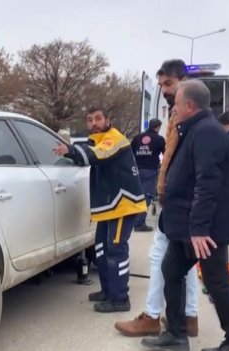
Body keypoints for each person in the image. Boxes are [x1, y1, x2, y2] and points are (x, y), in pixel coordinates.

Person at [141, 80, 229, 351]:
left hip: (206, 228)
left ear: (189, 105)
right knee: (171, 270)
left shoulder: (206, 132)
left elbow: (208, 181)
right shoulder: (194, 129)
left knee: (216, 281)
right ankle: (176, 335)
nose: (173, 109)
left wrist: (199, 228)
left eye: (176, 104)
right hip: (190, 223)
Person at [115, 60, 199, 338]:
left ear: (183, 82)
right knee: (182, 262)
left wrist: (167, 192)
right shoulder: (178, 115)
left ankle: (153, 315)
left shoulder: (186, 117)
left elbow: (178, 162)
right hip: (175, 198)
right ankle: (188, 316)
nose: (164, 90)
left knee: (162, 258)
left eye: (168, 84)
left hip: (179, 200)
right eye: (161, 84)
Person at [54, 107, 147, 313]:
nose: (94, 123)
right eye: (90, 120)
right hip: (109, 206)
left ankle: (120, 298)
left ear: (107, 120)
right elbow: (89, 154)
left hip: (123, 204)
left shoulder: (113, 138)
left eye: (98, 118)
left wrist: (71, 150)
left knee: (116, 251)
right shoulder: (96, 139)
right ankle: (108, 291)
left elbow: (98, 155)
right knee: (101, 250)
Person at [130, 118, 166, 232]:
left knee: (137, 196)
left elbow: (130, 152)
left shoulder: (137, 138)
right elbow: (166, 154)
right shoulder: (159, 139)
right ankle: (139, 223)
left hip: (136, 170)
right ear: (158, 127)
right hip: (150, 170)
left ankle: (133, 221)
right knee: (147, 196)